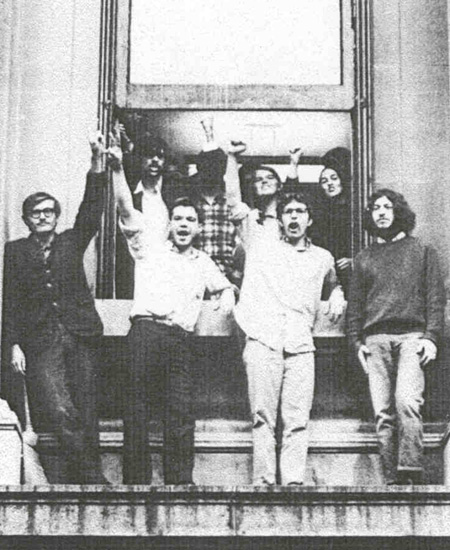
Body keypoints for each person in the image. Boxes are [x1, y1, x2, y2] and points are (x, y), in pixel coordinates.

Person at [108, 129, 234, 485]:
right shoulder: (148, 247)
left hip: (181, 340)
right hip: (146, 333)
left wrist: (225, 297)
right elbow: (125, 208)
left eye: (190, 221)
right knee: (136, 410)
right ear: (169, 224)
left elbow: (225, 287)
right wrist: (118, 169)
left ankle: (180, 481)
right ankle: (136, 481)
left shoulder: (203, 261)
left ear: (198, 227)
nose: (183, 225)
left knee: (181, 412)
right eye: (178, 219)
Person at [225, 141, 345, 485]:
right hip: (263, 340)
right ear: (280, 218)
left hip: (300, 345)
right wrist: (233, 160)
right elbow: (234, 201)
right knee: (262, 417)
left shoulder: (322, 257)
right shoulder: (260, 242)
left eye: (300, 213)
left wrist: (337, 291)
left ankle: (293, 483)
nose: (293, 218)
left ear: (310, 219)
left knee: (297, 418)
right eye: (288, 212)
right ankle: (263, 483)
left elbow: (333, 282)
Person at [2, 134, 109, 484]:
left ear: (56, 216)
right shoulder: (15, 251)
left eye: (49, 211)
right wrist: (14, 344)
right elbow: (11, 301)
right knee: (60, 408)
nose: (43, 217)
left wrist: (97, 166)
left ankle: (86, 480)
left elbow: (91, 212)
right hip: (42, 341)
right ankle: (91, 478)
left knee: (87, 408)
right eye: (37, 213)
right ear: (28, 220)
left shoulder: (70, 242)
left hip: (81, 334)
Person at [347, 189, 445, 485]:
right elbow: (355, 308)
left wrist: (431, 337)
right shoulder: (364, 258)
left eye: (387, 207)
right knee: (383, 413)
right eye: (376, 207)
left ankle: (410, 473)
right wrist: (356, 343)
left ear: (398, 212)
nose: (381, 212)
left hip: (412, 338)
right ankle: (391, 479)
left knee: (406, 401)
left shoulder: (423, 251)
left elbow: (435, 299)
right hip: (375, 340)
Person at [115, 131, 187, 298]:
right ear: (139, 159)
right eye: (149, 155)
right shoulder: (131, 197)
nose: (155, 160)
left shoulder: (174, 192)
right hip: (138, 269)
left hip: (170, 269)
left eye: (160, 156)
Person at [287, 146, 353, 294]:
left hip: (348, 274)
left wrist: (354, 260)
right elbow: (291, 193)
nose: (329, 183)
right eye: (324, 180)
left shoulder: (355, 208)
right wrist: (294, 163)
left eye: (334, 178)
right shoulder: (318, 209)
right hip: (321, 272)